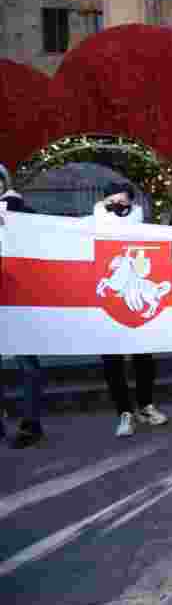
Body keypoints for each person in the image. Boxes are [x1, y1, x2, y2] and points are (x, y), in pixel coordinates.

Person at [85, 183, 170, 437]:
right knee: (112, 362)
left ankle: (146, 406)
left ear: (132, 204)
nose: (116, 208)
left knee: (144, 359)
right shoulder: (89, 227)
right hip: (105, 307)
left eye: (122, 203)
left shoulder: (145, 231)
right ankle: (124, 412)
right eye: (111, 203)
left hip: (136, 304)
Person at [0, 164, 47, 448]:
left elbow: (42, 235)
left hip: (17, 301)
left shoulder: (19, 209)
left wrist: (14, 212)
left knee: (27, 365)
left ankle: (32, 424)